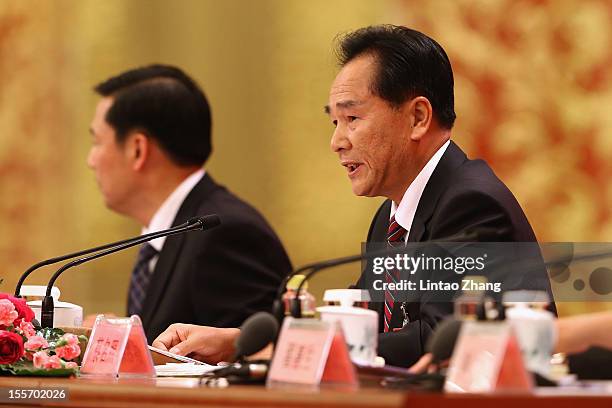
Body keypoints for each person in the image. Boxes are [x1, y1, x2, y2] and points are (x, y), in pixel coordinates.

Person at [152, 25, 554, 365]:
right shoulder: (392, 217)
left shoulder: (470, 205)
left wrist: (279, 350)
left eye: (352, 118)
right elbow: (360, 323)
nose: (336, 142)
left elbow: (437, 342)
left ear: (417, 117)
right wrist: (238, 342)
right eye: (334, 121)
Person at [86, 64, 292, 341]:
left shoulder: (225, 233)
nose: (91, 160)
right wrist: (122, 337)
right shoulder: (177, 229)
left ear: (138, 149)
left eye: (98, 142)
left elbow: (256, 360)